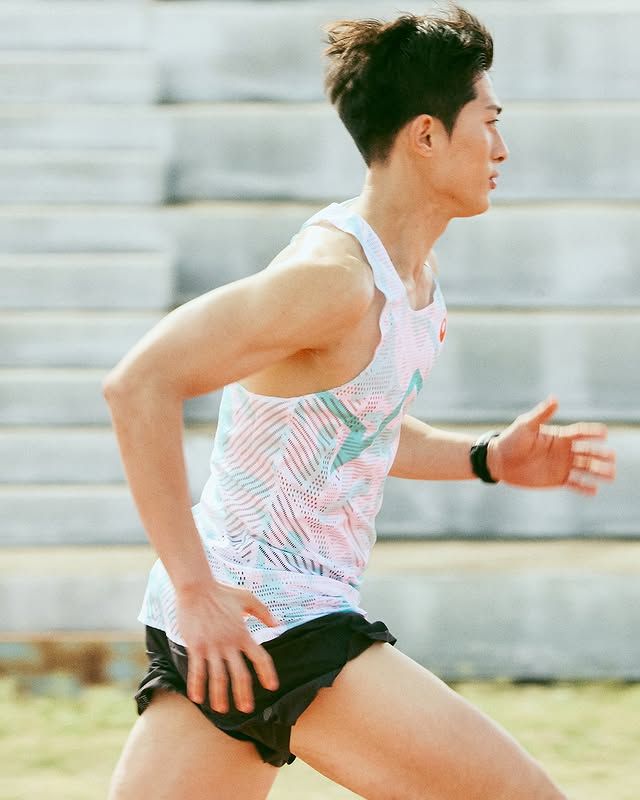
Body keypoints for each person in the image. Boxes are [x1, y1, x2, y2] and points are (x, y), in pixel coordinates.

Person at [104, 6, 616, 799]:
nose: (502, 147)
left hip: (237, 629)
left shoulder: (413, 283)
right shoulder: (332, 280)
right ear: (426, 135)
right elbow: (138, 384)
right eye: (489, 121)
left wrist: (485, 458)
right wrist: (197, 588)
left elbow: (351, 427)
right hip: (275, 619)